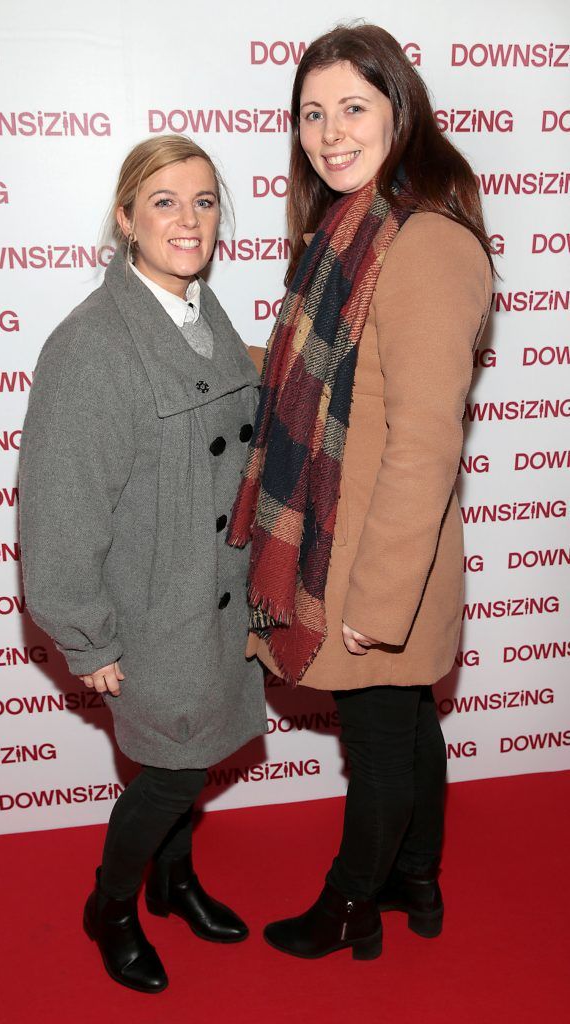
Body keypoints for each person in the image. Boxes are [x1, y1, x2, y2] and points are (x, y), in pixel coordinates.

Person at [227, 24, 493, 960]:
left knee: (380, 734)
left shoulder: (423, 244)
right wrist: (215, 365)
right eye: (312, 112)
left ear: (398, 111)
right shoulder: (345, 231)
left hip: (379, 552)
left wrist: (381, 601)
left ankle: (352, 904)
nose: (330, 132)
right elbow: (323, 380)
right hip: (349, 533)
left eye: (353, 107)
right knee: (409, 717)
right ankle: (418, 881)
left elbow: (424, 438)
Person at [19, 135, 267, 994]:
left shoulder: (204, 311)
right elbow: (60, 510)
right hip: (154, 608)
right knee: (172, 771)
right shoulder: (92, 345)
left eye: (204, 201)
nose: (188, 220)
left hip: (217, 599)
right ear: (125, 219)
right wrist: (87, 639)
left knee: (195, 755)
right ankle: (111, 906)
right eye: (164, 201)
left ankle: (173, 880)